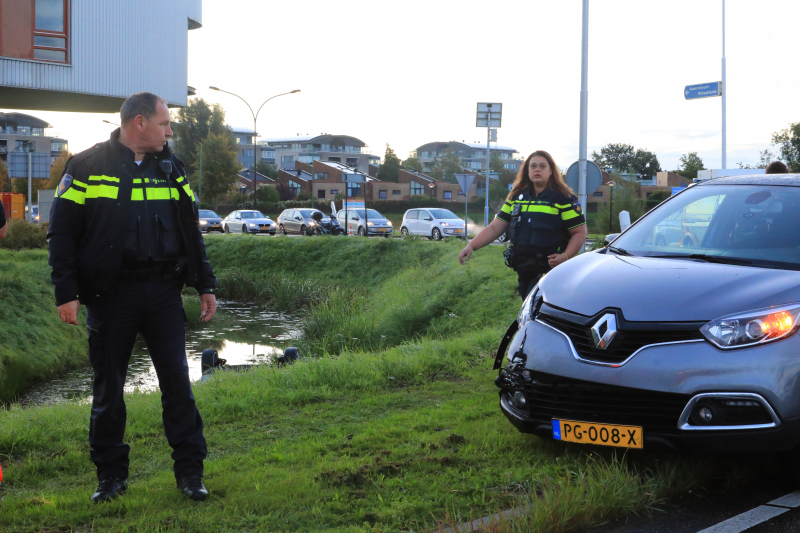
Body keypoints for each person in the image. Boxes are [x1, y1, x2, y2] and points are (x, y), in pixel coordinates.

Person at [47, 92, 217, 503]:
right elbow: (62, 234)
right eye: (164, 123)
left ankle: (190, 475)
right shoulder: (86, 167)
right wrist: (66, 292)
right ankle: (110, 478)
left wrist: (204, 283)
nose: (170, 130)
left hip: (163, 294)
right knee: (109, 390)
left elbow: (190, 231)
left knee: (178, 383)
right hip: (111, 297)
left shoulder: (171, 167)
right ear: (139, 123)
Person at [458, 150, 587, 299]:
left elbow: (579, 232)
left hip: (549, 269)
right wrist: (471, 245)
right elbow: (496, 226)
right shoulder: (516, 197)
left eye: (542, 166)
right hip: (523, 269)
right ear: (527, 171)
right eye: (533, 166)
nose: (537, 169)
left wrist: (565, 256)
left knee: (535, 310)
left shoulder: (564, 198)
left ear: (551, 170)